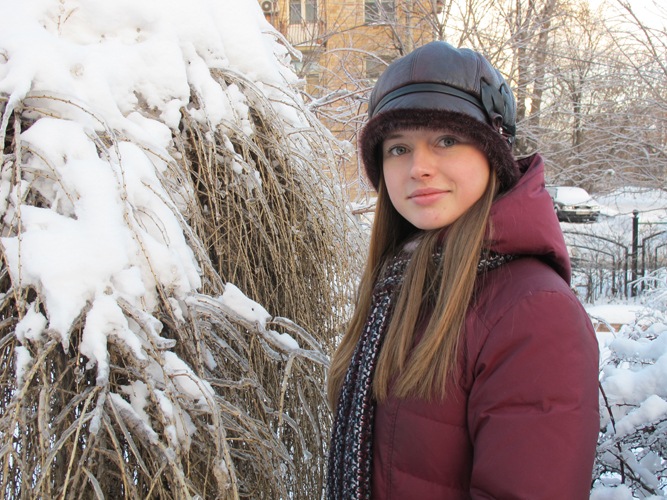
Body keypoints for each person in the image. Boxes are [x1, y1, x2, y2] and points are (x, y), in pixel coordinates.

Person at [326, 41, 600, 499]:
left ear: (492, 155)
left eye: (446, 141)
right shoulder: (402, 286)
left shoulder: (533, 311)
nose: (419, 167)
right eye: (398, 148)